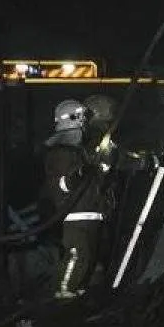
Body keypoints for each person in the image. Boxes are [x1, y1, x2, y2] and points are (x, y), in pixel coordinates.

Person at [43, 99, 112, 299]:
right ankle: (62, 292)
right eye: (81, 117)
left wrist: (102, 165)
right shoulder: (61, 153)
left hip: (92, 211)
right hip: (75, 213)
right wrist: (81, 172)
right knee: (77, 253)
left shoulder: (81, 151)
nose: (84, 123)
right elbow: (63, 184)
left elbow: (98, 176)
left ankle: (77, 293)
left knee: (88, 258)